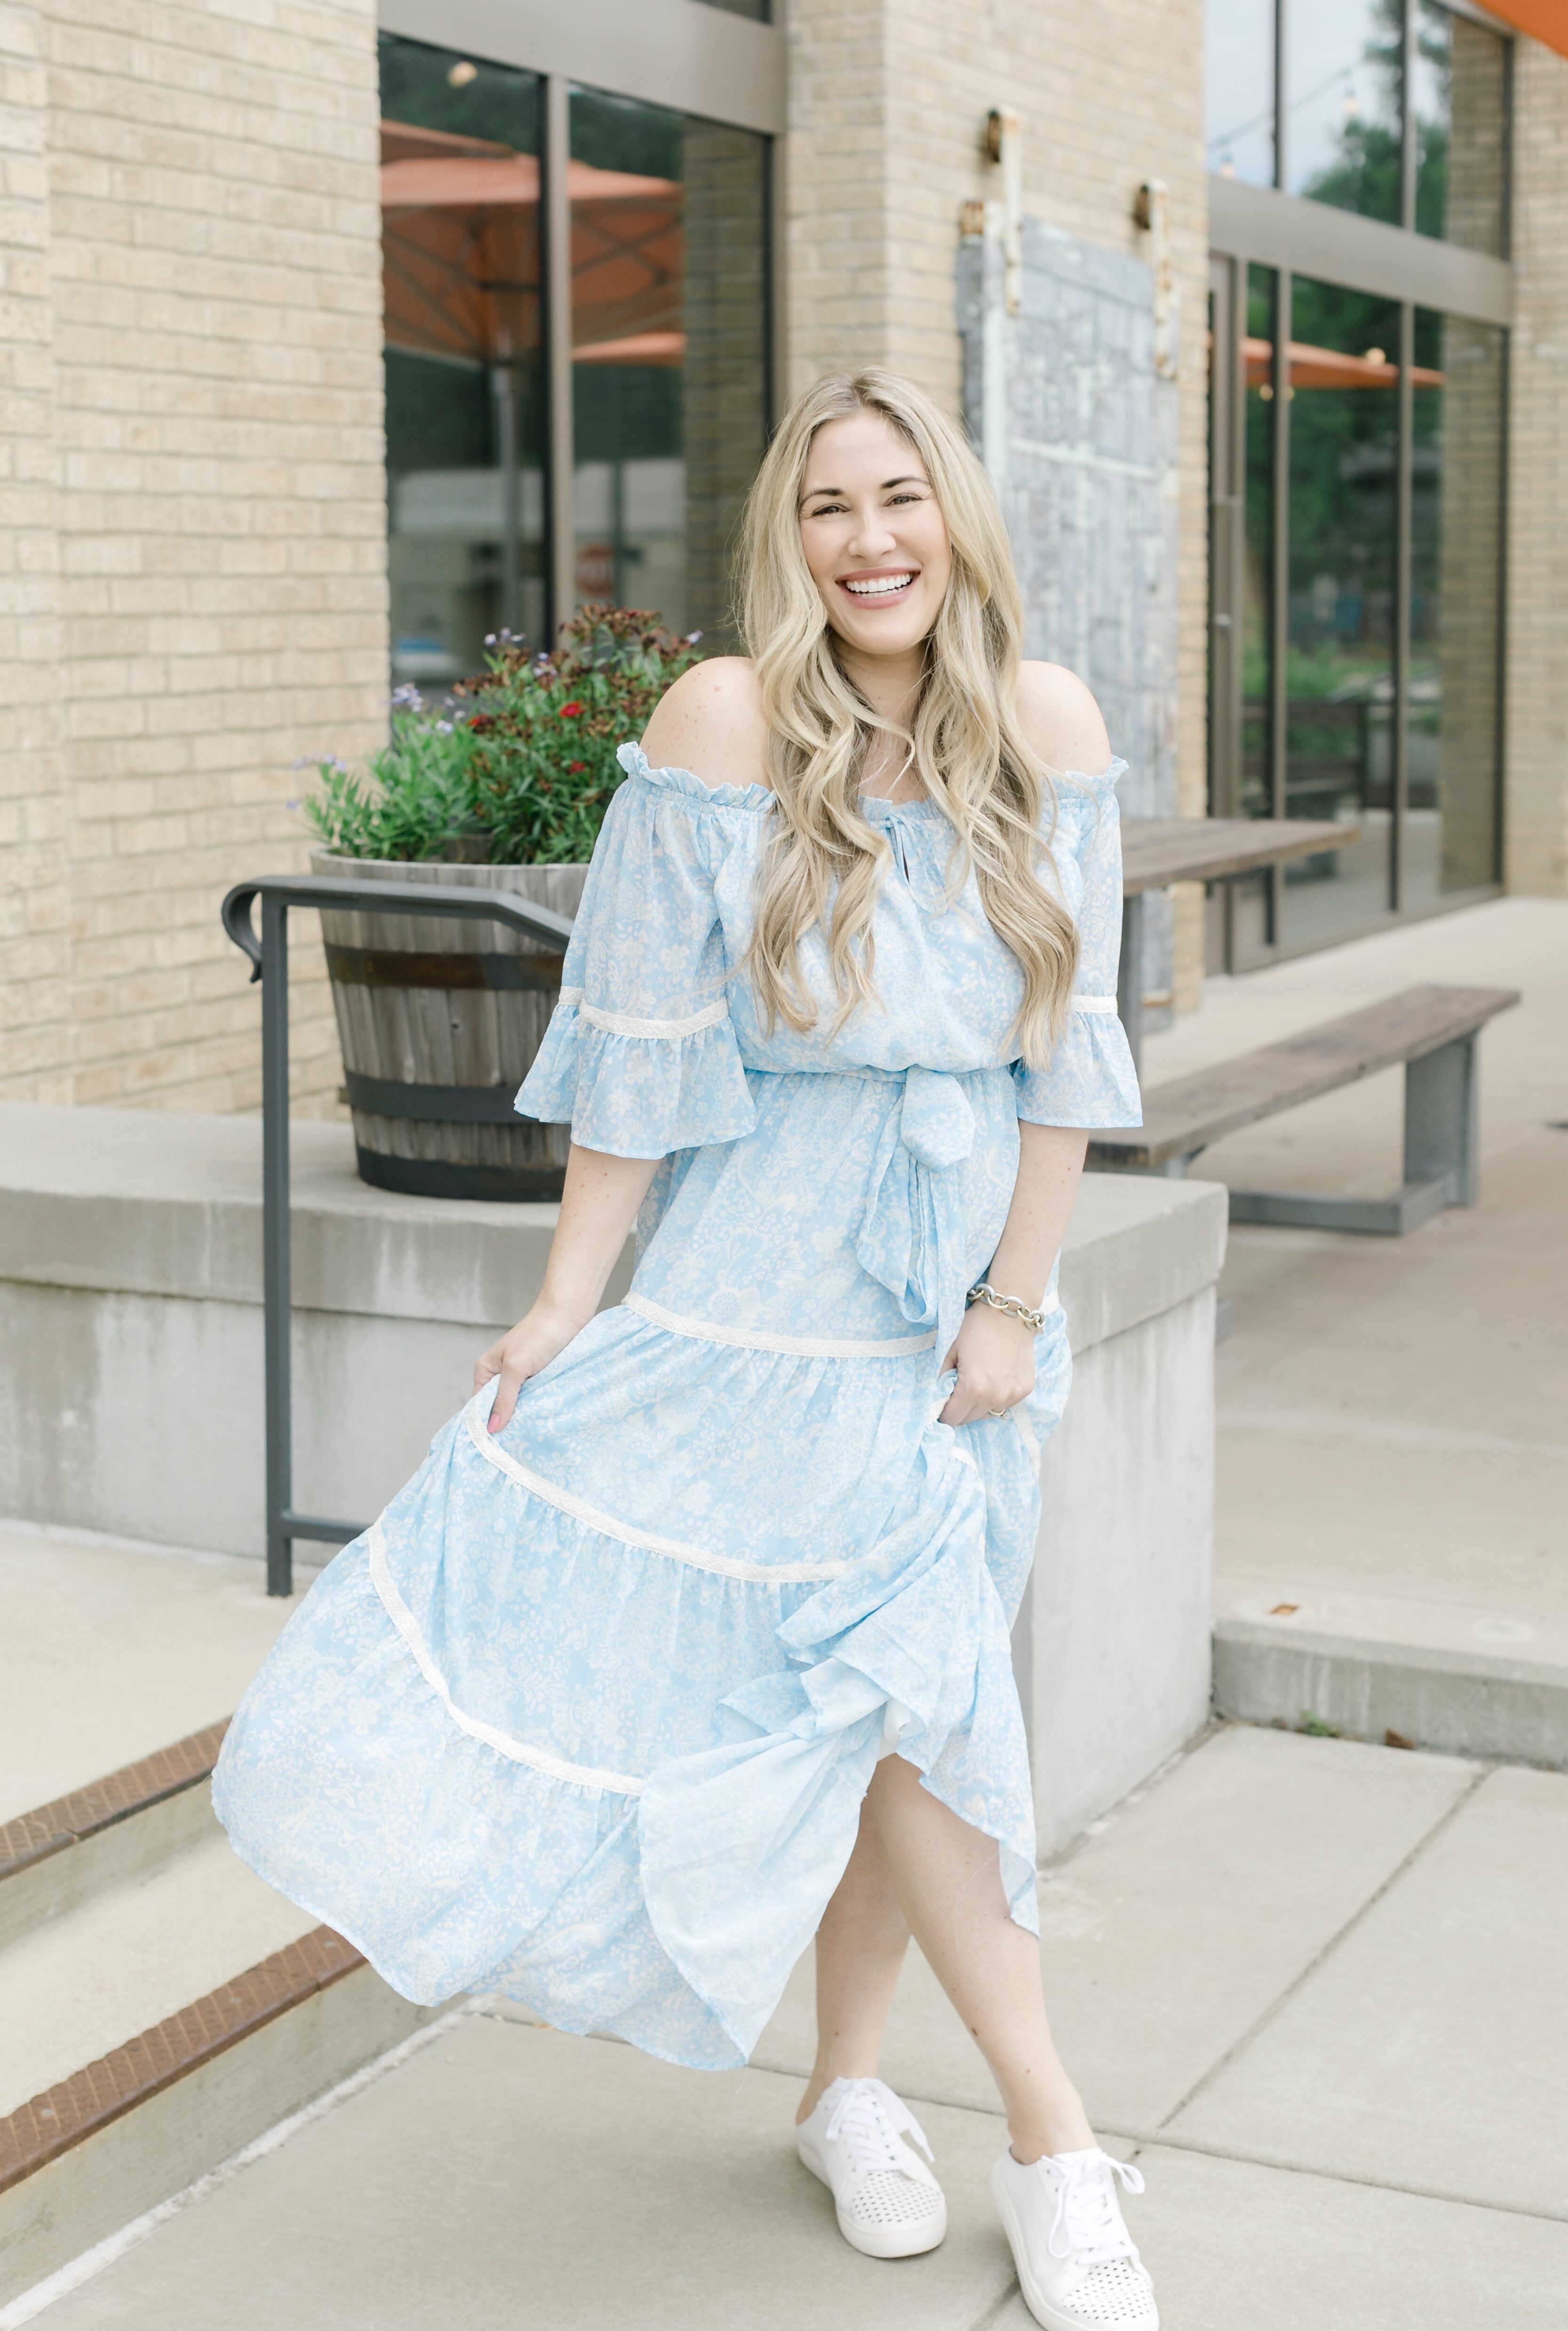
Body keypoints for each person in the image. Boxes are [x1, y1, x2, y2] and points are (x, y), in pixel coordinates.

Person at [214, 367, 1154, 2331]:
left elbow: (1070, 1061)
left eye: (903, 497)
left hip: (969, 1302)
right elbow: (638, 1047)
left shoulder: (1043, 728)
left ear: (958, 519)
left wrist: (1013, 1301)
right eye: (830, 506)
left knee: (888, 1713)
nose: (871, 537)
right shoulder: (725, 721)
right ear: (787, 538)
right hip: (760, 1298)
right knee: (907, 1704)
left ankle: (850, 2086)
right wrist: (575, 1294)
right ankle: (1055, 2131)